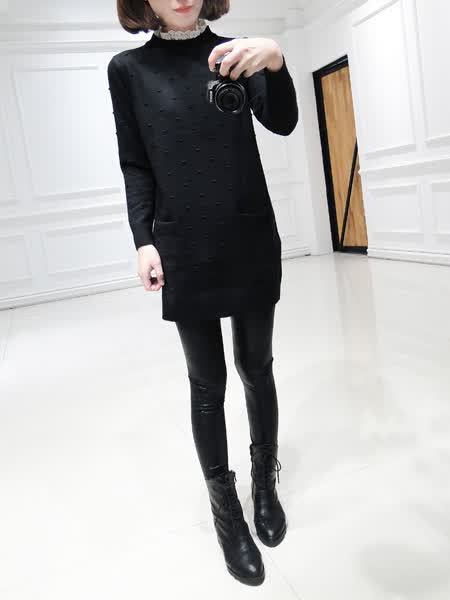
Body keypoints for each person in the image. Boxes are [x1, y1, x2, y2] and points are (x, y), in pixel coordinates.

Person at [108, 0, 298, 586]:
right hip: (183, 245)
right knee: (207, 383)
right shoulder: (128, 70)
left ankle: (263, 482)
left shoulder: (237, 53)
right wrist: (143, 240)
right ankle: (226, 510)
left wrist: (276, 61)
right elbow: (135, 163)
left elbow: (283, 122)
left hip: (248, 235)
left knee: (256, 367)